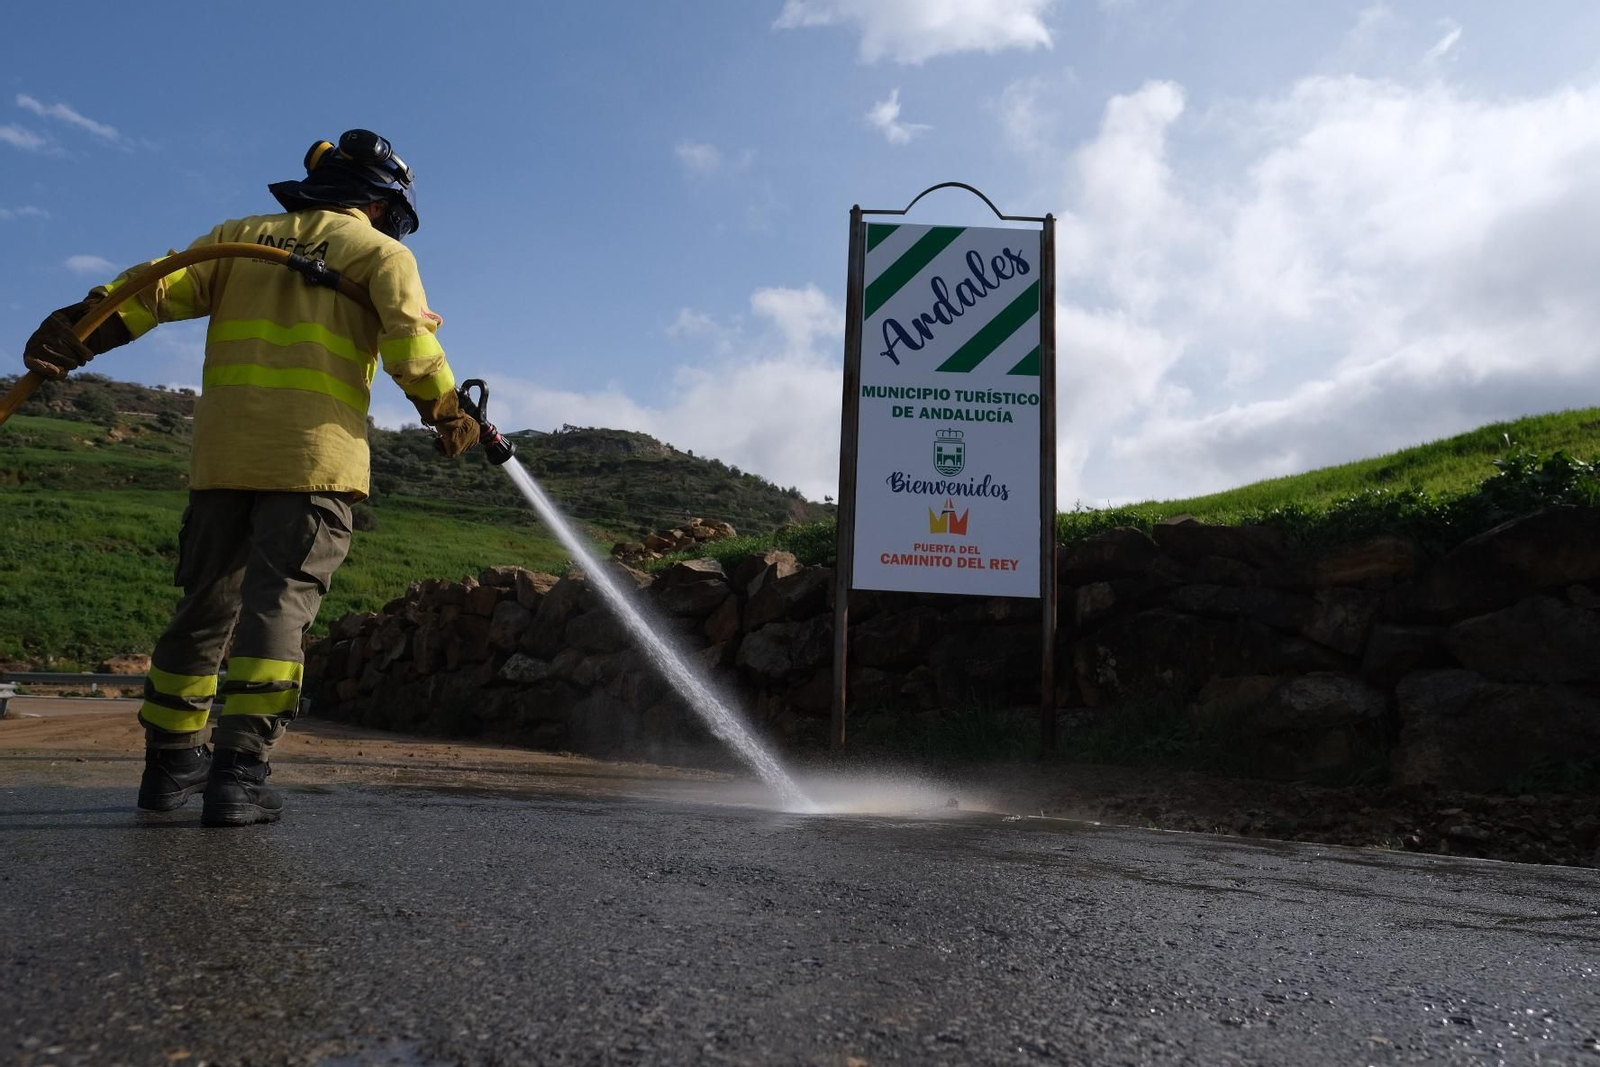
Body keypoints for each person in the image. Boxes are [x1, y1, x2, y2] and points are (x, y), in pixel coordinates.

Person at [21, 130, 479, 827]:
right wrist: (448, 413)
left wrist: (79, 327)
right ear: (382, 204)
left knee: (204, 609)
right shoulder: (383, 255)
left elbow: (156, 287)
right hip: (312, 463)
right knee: (278, 612)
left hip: (224, 459)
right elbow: (411, 344)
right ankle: (238, 776)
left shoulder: (241, 236)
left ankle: (169, 768)